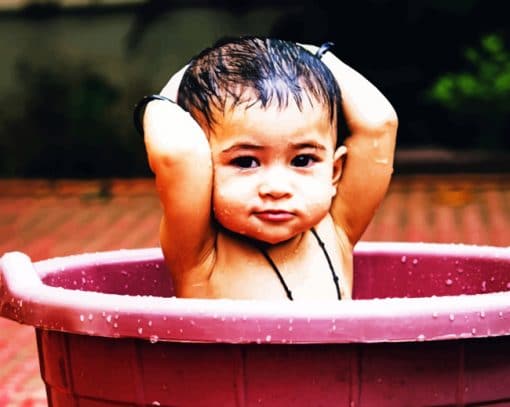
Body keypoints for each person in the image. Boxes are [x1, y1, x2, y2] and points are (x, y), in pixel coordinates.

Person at [135, 36, 398, 301]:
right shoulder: (200, 251)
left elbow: (379, 124)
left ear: (334, 172)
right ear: (206, 172)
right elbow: (179, 153)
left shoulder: (336, 229)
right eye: (246, 162)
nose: (276, 188)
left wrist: (313, 55)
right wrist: (170, 92)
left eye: (302, 160)